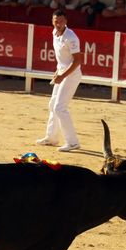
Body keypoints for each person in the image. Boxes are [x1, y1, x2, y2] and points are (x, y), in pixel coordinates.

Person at [36, 10, 82, 152]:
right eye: (56, 21)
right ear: (52, 21)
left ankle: (72, 142)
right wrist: (58, 71)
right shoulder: (54, 33)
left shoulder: (71, 37)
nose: (58, 24)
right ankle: (52, 137)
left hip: (72, 75)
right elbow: (62, 59)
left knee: (59, 107)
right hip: (62, 72)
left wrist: (63, 75)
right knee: (53, 104)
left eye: (61, 21)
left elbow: (77, 61)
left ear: (66, 21)